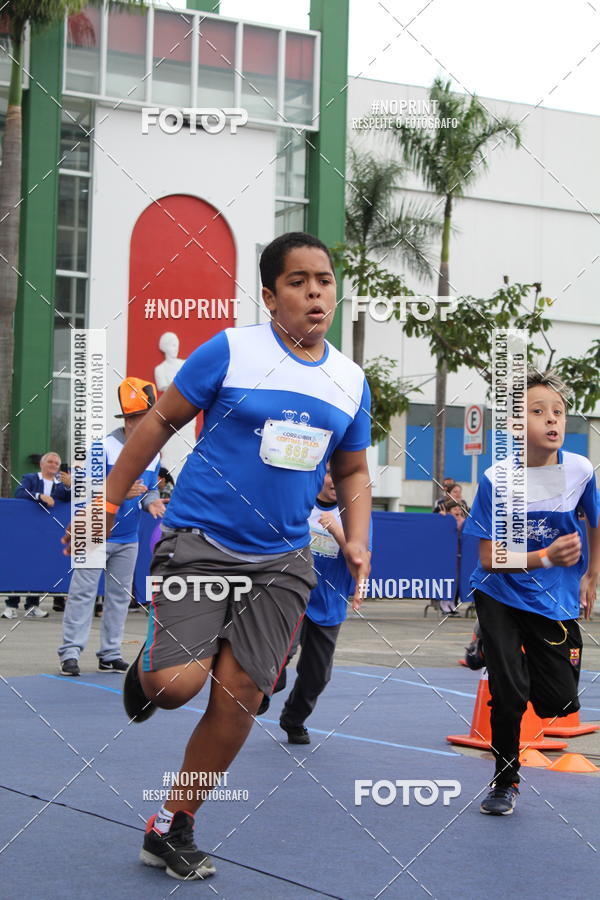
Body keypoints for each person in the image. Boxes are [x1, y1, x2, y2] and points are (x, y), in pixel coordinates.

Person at [62, 232, 372, 882]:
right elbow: (157, 422)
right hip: (201, 538)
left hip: (284, 563)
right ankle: (150, 667)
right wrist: (104, 501)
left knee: (238, 701)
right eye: (298, 281)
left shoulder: (350, 381)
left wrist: (360, 535)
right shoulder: (232, 351)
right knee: (176, 688)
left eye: (324, 279)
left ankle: (173, 825)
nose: (315, 291)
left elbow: (353, 473)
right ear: (270, 295)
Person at [463, 369, 599, 816]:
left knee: (557, 702)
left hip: (553, 596)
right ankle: (505, 781)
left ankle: (504, 651)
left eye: (558, 411)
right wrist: (544, 556)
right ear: (518, 427)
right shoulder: (495, 479)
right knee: (510, 693)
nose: (552, 420)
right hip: (499, 591)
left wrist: (591, 573)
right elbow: (486, 556)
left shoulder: (580, 470)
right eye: (538, 412)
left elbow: (596, 522)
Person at [58, 378, 165, 676]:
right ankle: (70, 652)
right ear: (130, 420)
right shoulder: (101, 448)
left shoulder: (153, 452)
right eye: (143, 419)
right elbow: (84, 487)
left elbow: (148, 488)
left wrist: (151, 502)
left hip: (129, 537)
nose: (147, 426)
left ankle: (110, 653)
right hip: (94, 532)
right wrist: (118, 490)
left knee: (119, 596)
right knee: (83, 593)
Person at [268, 466, 372, 744]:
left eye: (339, 474)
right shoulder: (299, 504)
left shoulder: (355, 518)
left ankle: (294, 719)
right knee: (280, 655)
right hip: (292, 595)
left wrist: (338, 530)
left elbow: (362, 566)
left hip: (329, 604)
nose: (334, 479)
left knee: (317, 676)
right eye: (329, 472)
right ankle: (261, 689)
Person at [2, 452, 71, 619]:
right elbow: (20, 492)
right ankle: (11, 605)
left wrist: (70, 486)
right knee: (20, 564)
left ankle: (32, 605)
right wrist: (40, 496)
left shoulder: (60, 484)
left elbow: (68, 498)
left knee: (38, 565)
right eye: (50, 462)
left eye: (56, 463)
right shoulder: (31, 478)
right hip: (25, 532)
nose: (53, 465)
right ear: (42, 464)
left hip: (45, 534)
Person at [439, 499, 466, 615]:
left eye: (459, 509)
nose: (458, 511)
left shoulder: (463, 521)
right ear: (449, 512)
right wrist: (444, 518)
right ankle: (444, 603)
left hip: (459, 554)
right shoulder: (446, 520)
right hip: (446, 555)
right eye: (455, 509)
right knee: (446, 578)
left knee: (456, 580)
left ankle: (452, 603)